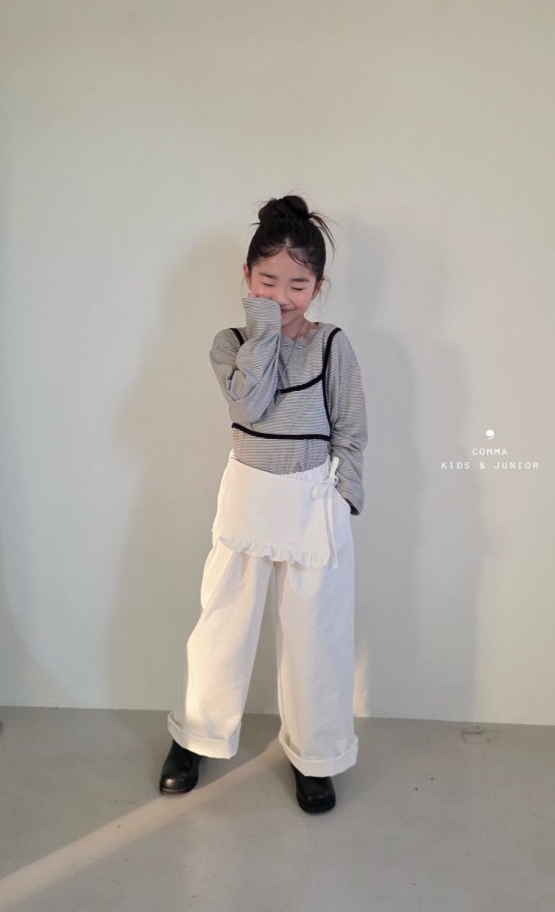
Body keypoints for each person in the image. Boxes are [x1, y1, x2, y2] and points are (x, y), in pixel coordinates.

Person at [159, 195, 367, 814]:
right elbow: (249, 405)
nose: (281, 295)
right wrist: (266, 330)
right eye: (268, 281)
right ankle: (195, 735)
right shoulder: (230, 343)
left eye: (297, 285)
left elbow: (351, 427)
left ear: (318, 287)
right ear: (247, 277)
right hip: (248, 496)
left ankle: (315, 755)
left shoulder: (332, 345)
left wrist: (344, 498)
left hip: (313, 501)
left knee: (316, 637)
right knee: (221, 625)